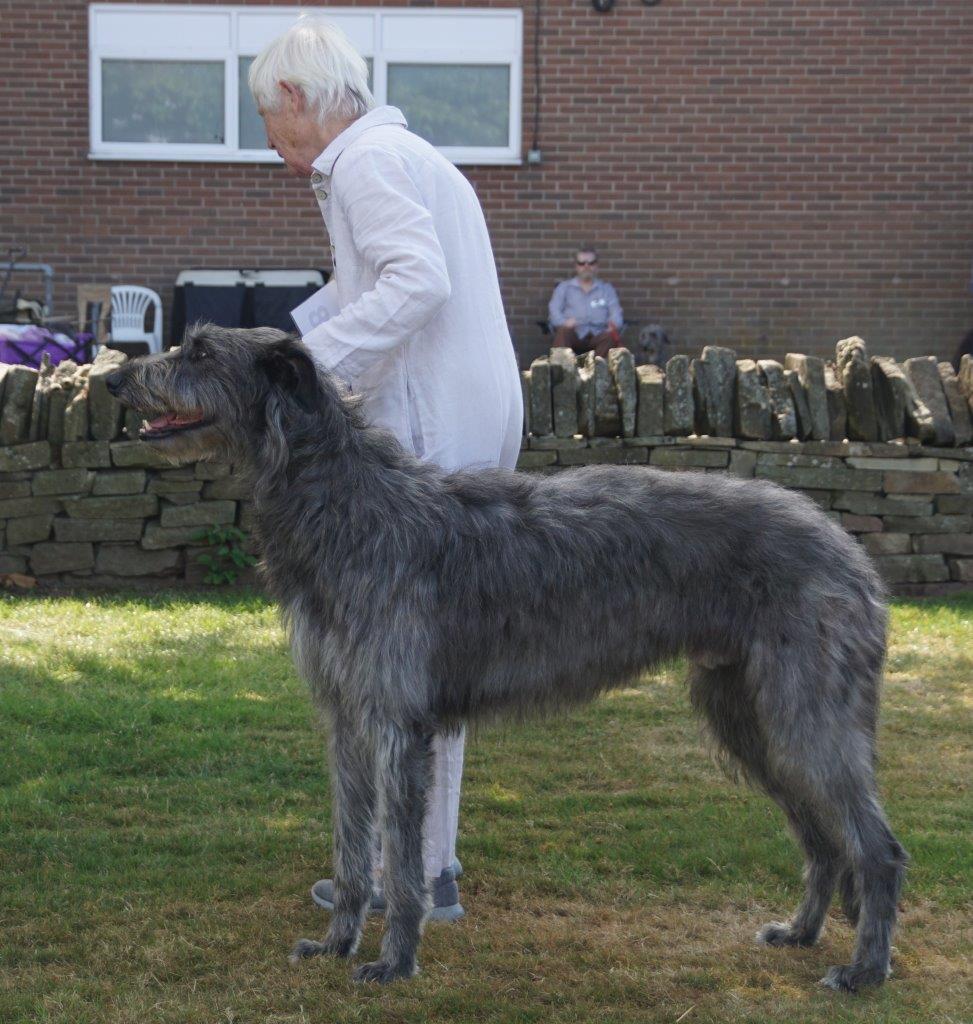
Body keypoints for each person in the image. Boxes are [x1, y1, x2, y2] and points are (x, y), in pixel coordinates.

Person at [249, 17, 522, 920]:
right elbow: (383, 286)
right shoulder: (405, 158)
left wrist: (302, 364)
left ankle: (408, 873)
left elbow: (416, 284)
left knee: (401, 661)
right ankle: (421, 864)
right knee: (434, 659)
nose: (270, 141)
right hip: (469, 412)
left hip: (436, 425)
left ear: (295, 97)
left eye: (266, 118)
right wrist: (299, 330)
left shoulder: (365, 164)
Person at [548, 248, 624, 359]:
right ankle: (562, 370)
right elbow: (553, 312)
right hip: (574, 334)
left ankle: (598, 371)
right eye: (582, 263)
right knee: (563, 332)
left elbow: (616, 314)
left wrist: (612, 325)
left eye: (591, 263)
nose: (586, 267)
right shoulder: (564, 288)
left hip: (599, 334)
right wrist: (564, 322)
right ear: (576, 266)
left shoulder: (607, 289)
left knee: (610, 337)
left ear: (596, 266)